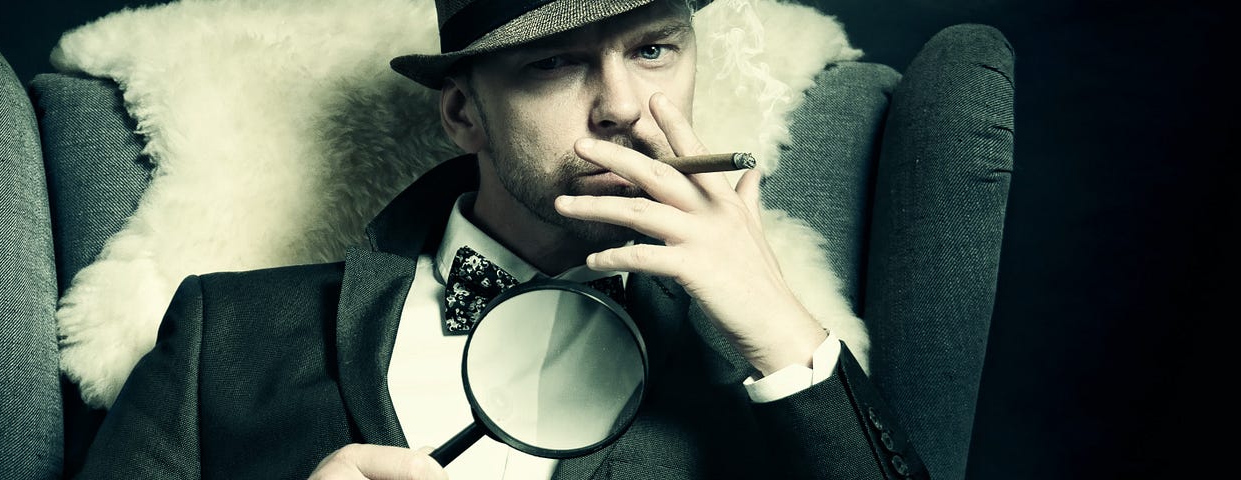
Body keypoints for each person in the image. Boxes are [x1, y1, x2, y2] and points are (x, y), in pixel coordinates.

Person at [77, 0, 928, 478]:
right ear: (462, 113)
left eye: (656, 49)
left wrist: (781, 329)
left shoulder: (762, 372)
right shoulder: (225, 331)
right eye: (555, 62)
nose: (623, 106)